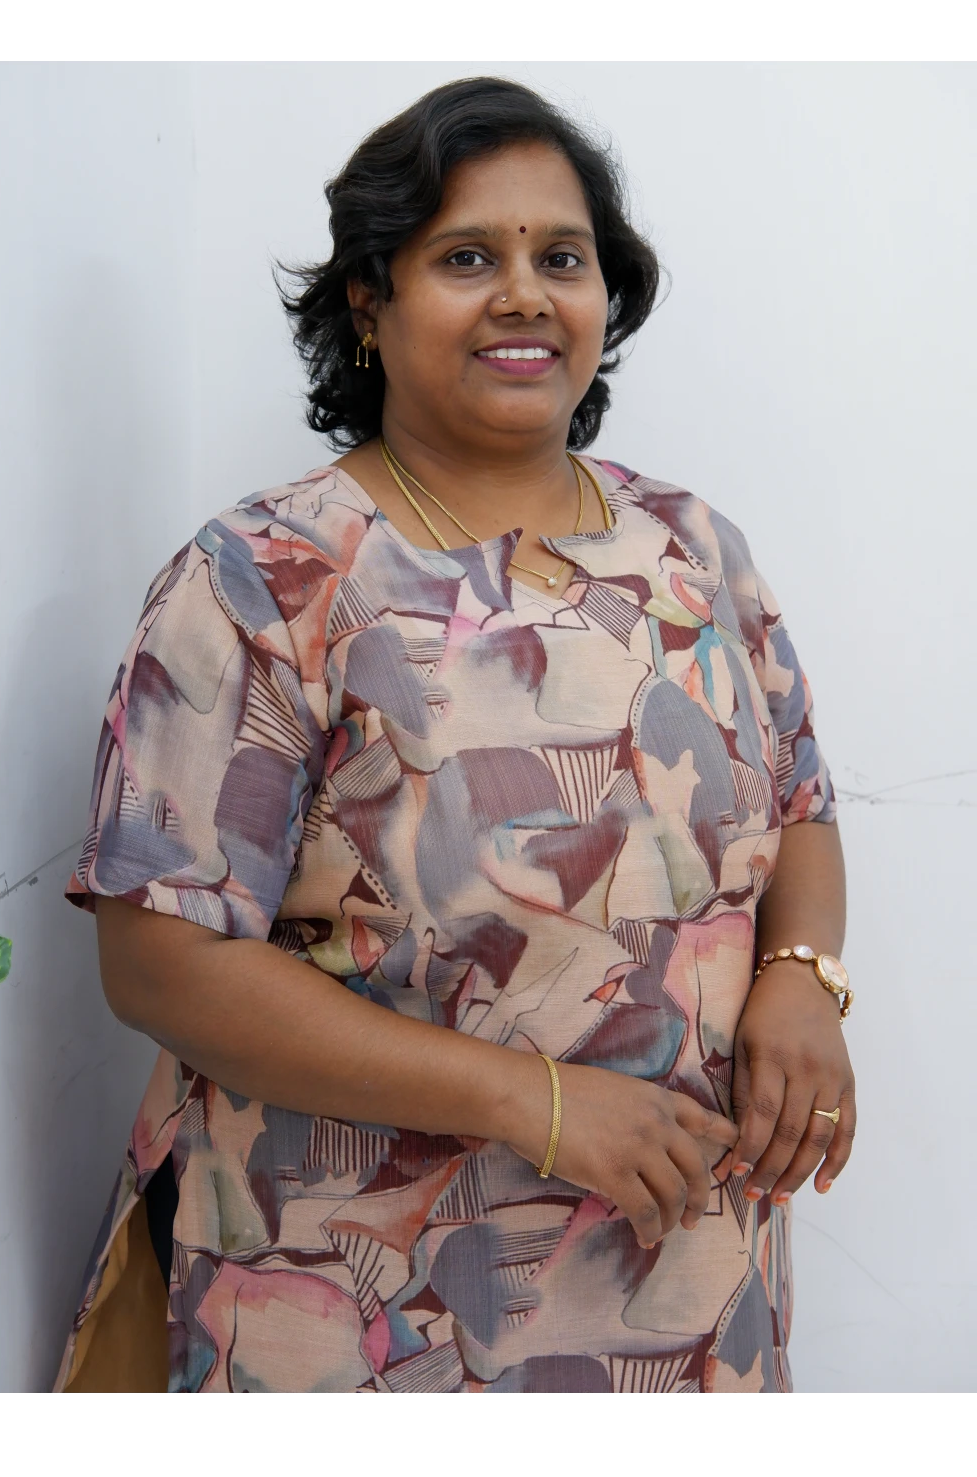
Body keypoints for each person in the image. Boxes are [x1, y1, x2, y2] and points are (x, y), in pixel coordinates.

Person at [56, 77, 855, 1394]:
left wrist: (803, 977)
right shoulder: (266, 580)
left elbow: (802, 807)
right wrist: (532, 1102)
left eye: (563, 259)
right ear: (368, 302)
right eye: (468, 257)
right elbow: (162, 964)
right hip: (354, 1305)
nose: (525, 295)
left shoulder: (692, 549)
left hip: (687, 1285)